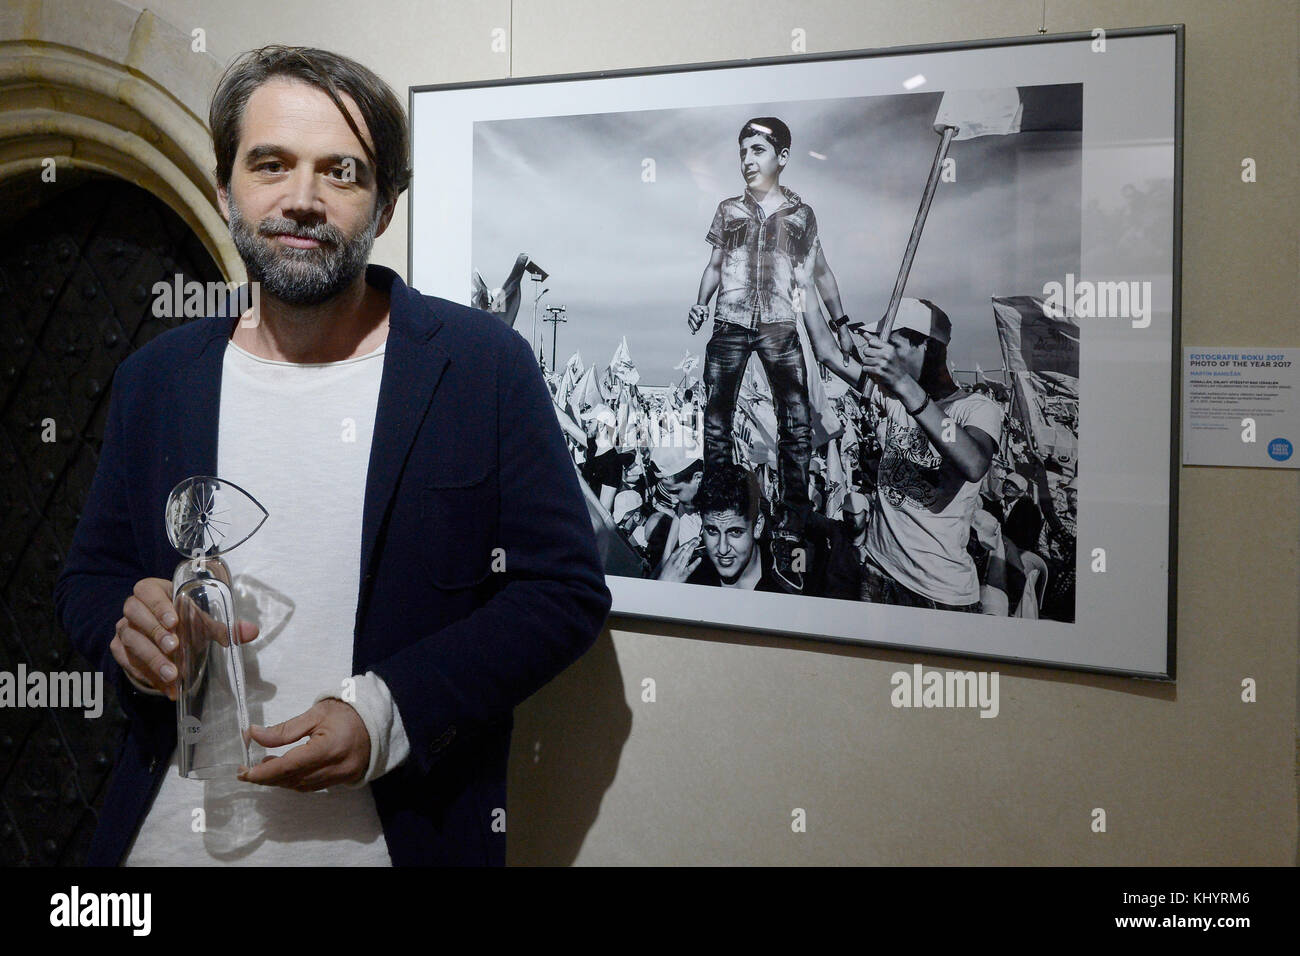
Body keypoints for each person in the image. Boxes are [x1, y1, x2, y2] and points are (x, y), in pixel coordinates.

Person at [52, 45, 611, 867]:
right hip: (164, 841)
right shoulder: (156, 378)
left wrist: (387, 711)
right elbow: (88, 580)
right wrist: (128, 636)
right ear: (225, 190)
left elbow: (563, 592)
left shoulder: (481, 367)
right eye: (270, 164)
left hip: (392, 842)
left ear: (384, 207)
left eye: (341, 172)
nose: (302, 200)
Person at [689, 117, 849, 594]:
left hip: (780, 322)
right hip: (731, 319)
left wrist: (841, 325)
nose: (747, 160)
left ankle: (794, 516)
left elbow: (821, 274)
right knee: (716, 414)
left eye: (757, 150)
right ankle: (720, 503)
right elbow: (714, 266)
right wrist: (700, 304)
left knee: (795, 418)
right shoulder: (727, 210)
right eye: (742, 152)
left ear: (782, 157)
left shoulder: (802, 215)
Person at [855, 298, 1002, 612]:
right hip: (879, 569)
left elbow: (973, 462)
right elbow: (827, 352)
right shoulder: (894, 398)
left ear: (926, 348)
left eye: (892, 344)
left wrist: (905, 385)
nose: (883, 356)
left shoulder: (976, 409)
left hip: (936, 595)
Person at [657, 463, 781, 592]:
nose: (722, 549)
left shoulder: (787, 580)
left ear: (758, 526)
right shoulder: (691, 580)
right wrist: (665, 590)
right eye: (712, 531)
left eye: (735, 532)